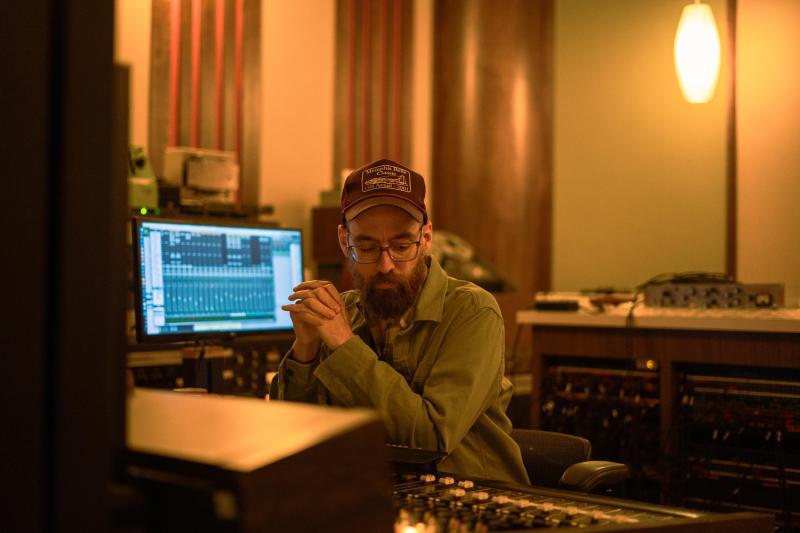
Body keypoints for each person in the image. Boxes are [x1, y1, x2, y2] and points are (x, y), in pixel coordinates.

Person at [270, 158, 529, 485]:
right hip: (372, 493)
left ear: (427, 237)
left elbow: (430, 438)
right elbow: (297, 437)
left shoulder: (473, 311)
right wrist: (305, 350)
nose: (386, 265)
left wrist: (345, 346)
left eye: (402, 246)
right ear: (344, 241)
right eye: (366, 247)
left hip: (474, 496)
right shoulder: (340, 312)